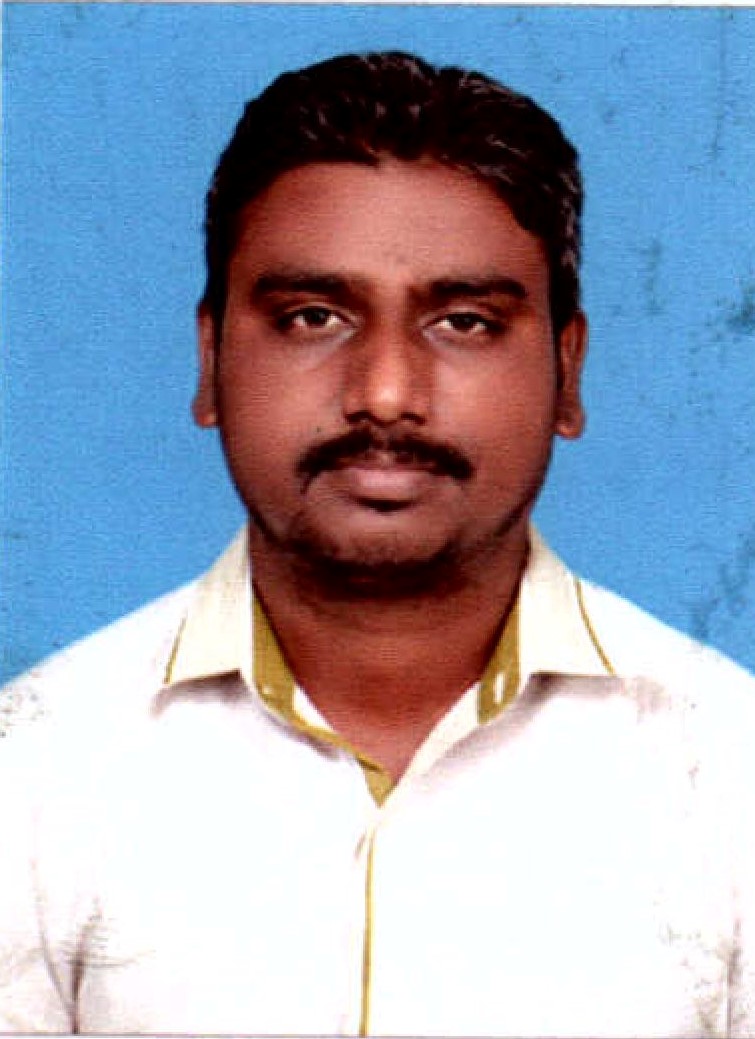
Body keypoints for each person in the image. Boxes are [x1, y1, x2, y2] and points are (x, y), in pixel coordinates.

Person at [1, 50, 755, 1037]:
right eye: (313, 317)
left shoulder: (730, 769)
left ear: (567, 371)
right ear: (210, 357)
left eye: (464, 321)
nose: (386, 394)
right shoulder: (35, 770)